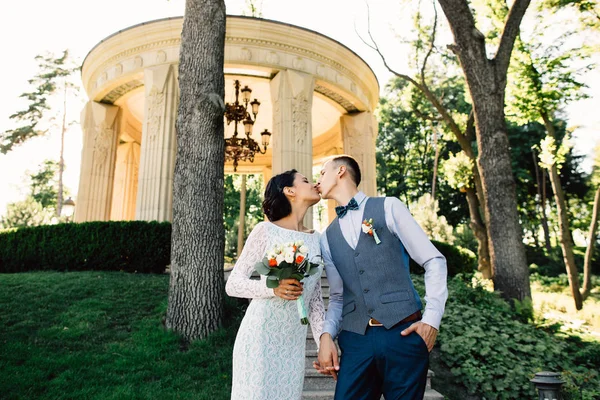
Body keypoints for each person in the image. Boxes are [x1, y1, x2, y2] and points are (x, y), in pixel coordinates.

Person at [314, 155, 448, 400]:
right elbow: (336, 297)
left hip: (403, 334)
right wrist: (326, 336)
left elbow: (434, 261)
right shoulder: (326, 238)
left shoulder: (389, 207)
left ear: (341, 171)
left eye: (322, 173)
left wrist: (431, 320)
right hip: (356, 341)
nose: (318, 180)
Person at [225, 169, 325, 400]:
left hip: (293, 343)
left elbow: (315, 300)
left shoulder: (317, 239)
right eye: (306, 181)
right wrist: (272, 289)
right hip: (259, 338)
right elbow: (234, 283)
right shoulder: (265, 231)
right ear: (289, 191)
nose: (313, 184)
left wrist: (322, 344)